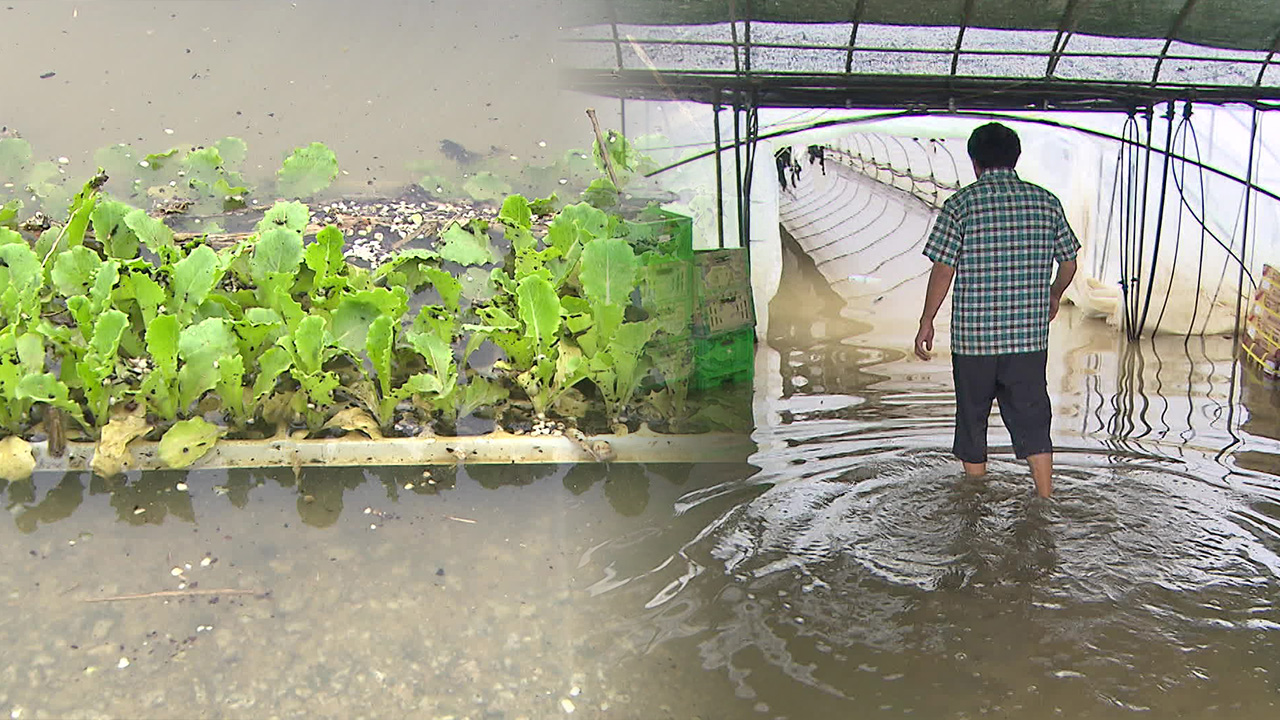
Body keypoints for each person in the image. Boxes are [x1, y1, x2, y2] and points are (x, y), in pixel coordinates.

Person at [913, 123, 1079, 498]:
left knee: (972, 421)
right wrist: (1054, 295)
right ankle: (1045, 498)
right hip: (1027, 339)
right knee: (1034, 418)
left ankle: (975, 498)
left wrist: (927, 320)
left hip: (974, 342)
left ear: (975, 162)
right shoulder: (1046, 202)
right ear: (1015, 158)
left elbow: (943, 268)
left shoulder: (960, 205)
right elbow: (1068, 262)